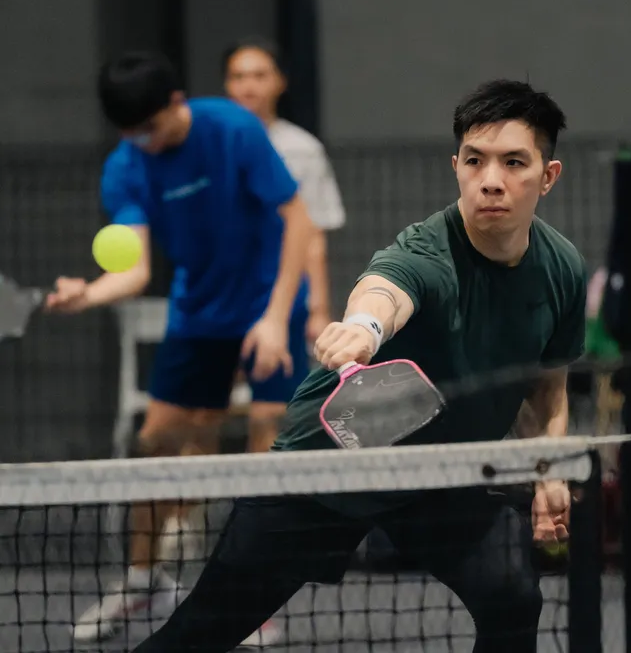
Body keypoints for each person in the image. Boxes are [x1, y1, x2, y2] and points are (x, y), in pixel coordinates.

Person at [131, 79, 587, 653]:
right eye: (475, 160)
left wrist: (549, 471)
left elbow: (545, 389)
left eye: (514, 162)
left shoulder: (562, 268)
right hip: (325, 468)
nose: (490, 179)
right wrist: (364, 328)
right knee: (199, 634)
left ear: (548, 176)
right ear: (456, 167)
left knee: (512, 596)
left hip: (435, 475)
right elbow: (385, 291)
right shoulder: (425, 252)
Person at [44, 51, 314, 645]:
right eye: (130, 133)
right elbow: (135, 270)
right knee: (156, 445)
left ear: (175, 102)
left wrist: (274, 319)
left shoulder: (233, 129)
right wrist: (87, 295)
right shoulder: (126, 166)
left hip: (271, 306)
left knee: (267, 450)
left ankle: (254, 600)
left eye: (149, 127)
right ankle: (144, 579)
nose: (143, 140)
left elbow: (298, 220)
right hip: (199, 315)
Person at [223, 38, 347, 452]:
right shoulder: (208, 145)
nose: (249, 85)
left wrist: (318, 308)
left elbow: (312, 234)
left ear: (280, 82)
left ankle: (261, 493)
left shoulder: (303, 150)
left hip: (281, 299)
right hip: (220, 297)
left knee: (272, 413)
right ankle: (187, 500)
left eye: (260, 75)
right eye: (239, 76)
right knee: (196, 415)